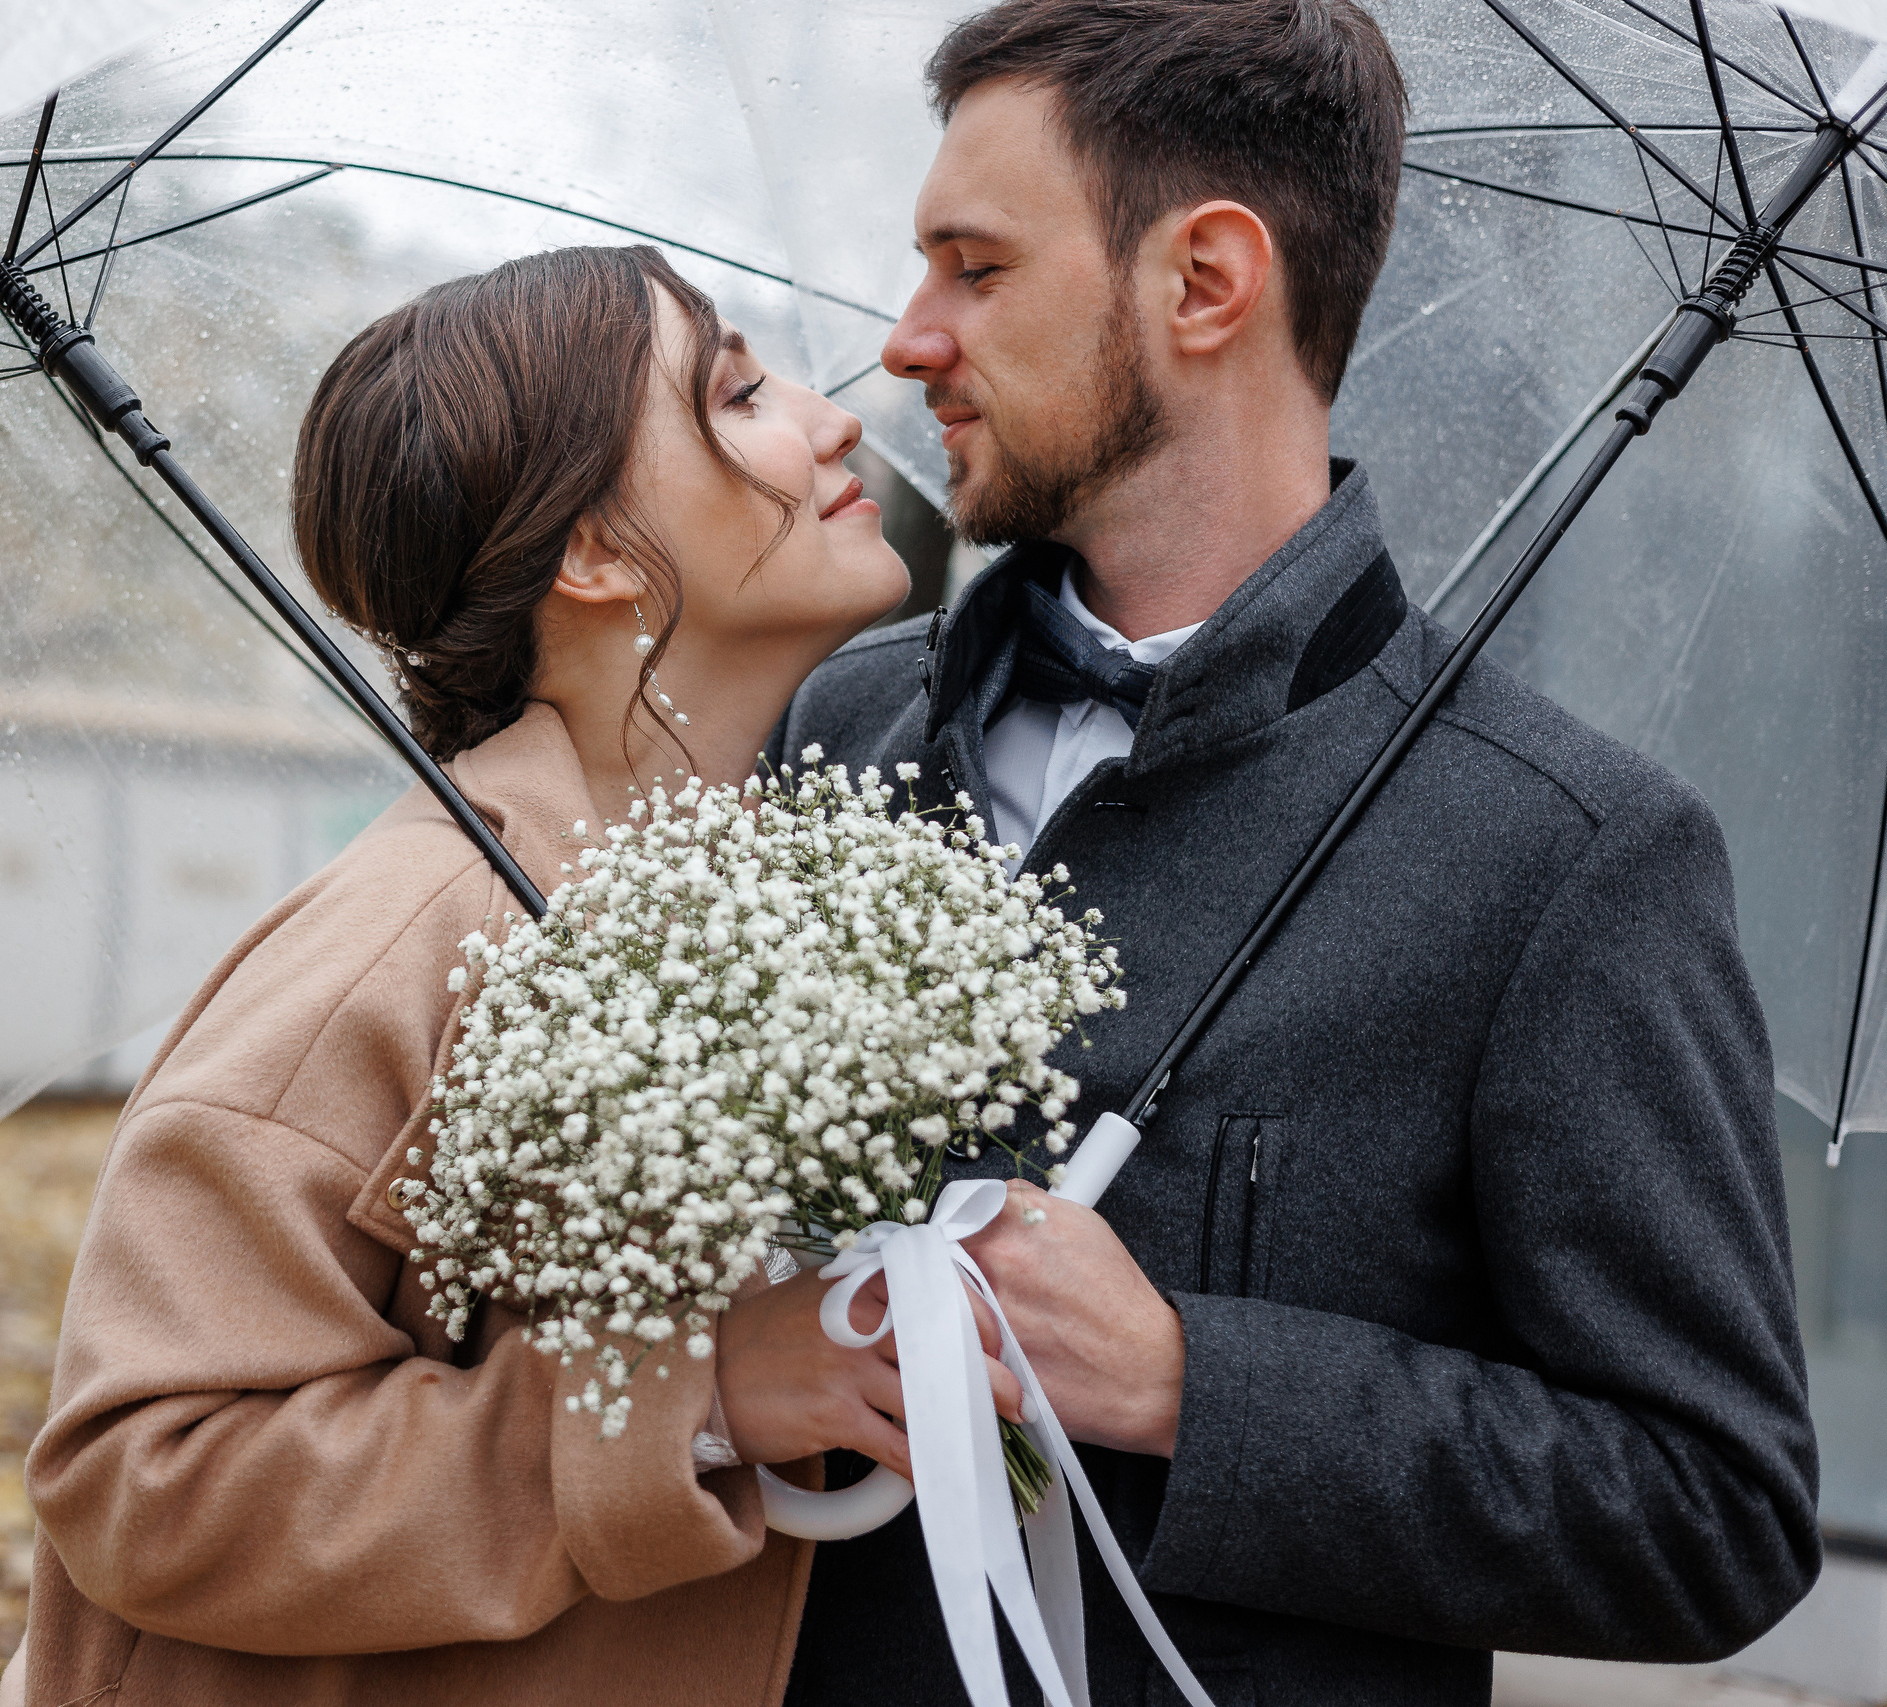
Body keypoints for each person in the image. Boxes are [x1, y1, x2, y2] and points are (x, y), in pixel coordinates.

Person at [774, 0, 1821, 1701]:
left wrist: (1197, 1383)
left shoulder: (1568, 859)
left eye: (974, 267)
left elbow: (1718, 1513)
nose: (906, 341)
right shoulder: (843, 729)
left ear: (1205, 282)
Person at [0, 245, 1021, 1707]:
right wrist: (701, 1394)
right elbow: (140, 1476)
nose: (830, 417)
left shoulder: (763, 899)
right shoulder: (404, 937)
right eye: (735, 393)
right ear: (594, 555)